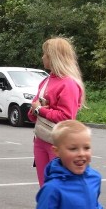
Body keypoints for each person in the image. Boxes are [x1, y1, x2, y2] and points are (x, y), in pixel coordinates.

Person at [28, 37, 85, 186]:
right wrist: (35, 110)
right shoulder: (45, 81)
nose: (42, 57)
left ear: (54, 57)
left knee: (58, 188)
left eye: (45, 54)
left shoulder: (69, 84)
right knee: (44, 186)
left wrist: (40, 110)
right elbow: (32, 113)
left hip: (58, 143)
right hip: (40, 139)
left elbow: (67, 117)